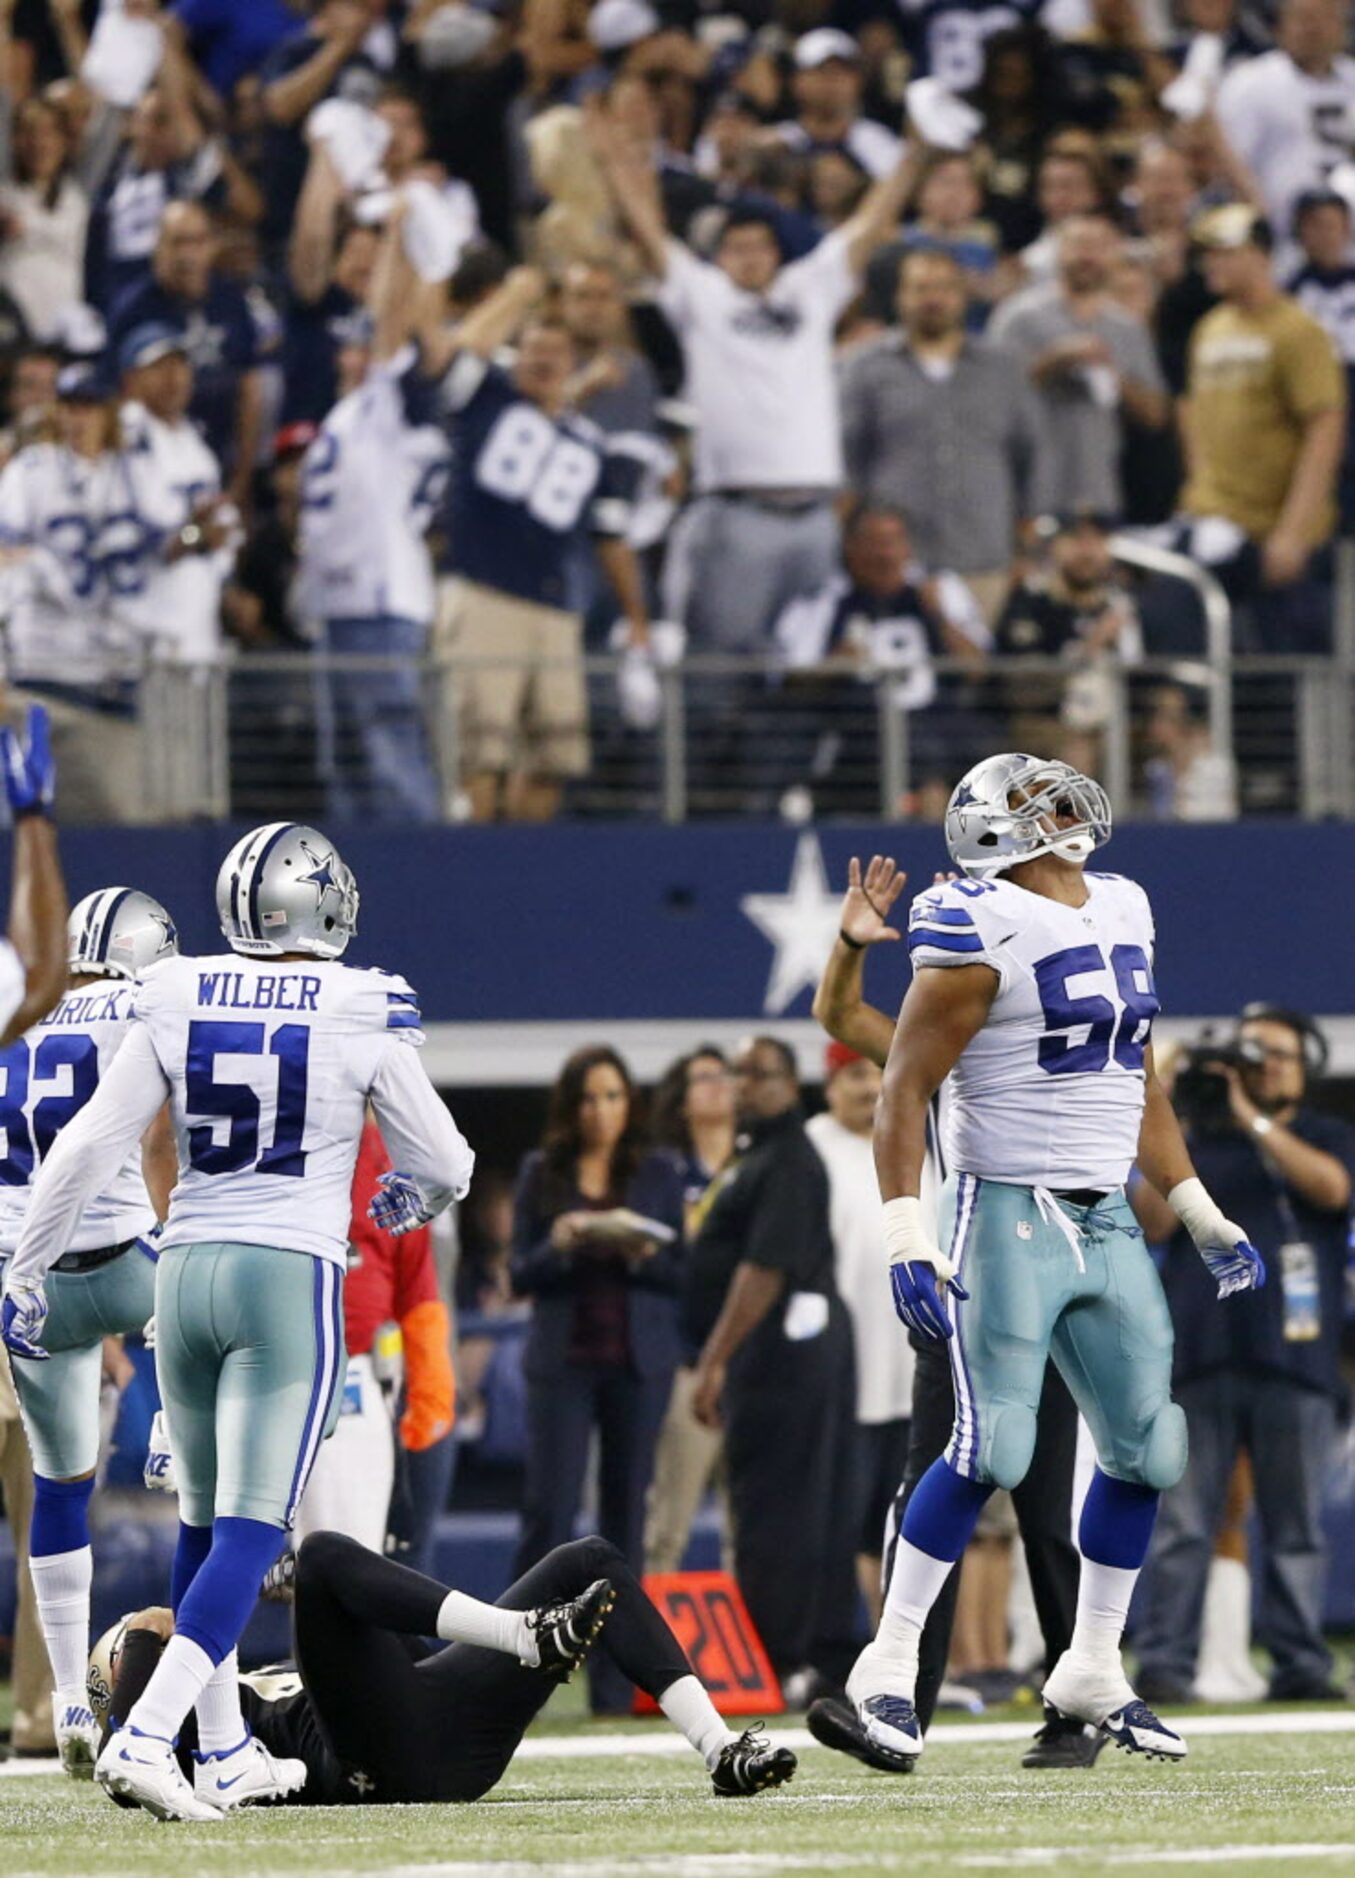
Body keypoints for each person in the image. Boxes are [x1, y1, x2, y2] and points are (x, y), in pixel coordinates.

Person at [0, 820, 476, 1822]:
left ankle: (220, 1750)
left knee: (204, 1523)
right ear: (323, 902)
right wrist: (388, 1213)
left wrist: (29, 1263)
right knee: (256, 1535)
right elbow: (445, 1163)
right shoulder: (361, 999)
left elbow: (89, 1144)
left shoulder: (175, 990)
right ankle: (144, 1735)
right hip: (283, 1275)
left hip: (183, 1275)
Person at [838, 752, 1266, 1770]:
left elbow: (1137, 1081)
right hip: (1004, 1207)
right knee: (991, 1450)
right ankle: (887, 1667)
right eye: (1029, 796)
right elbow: (899, 1089)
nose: (1059, 801)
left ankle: (1088, 1663)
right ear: (991, 829)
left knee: (1147, 1449)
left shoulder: (1123, 902)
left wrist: (1196, 1206)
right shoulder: (971, 920)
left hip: (1104, 1210)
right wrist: (905, 1232)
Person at [808, 854, 1090, 1773]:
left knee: (1046, 1507)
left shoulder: (1066, 1028)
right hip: (962, 1283)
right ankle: (900, 1706)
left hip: (1047, 1276)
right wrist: (851, 944)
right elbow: (840, 1017)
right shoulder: (947, 1033)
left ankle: (1075, 1705)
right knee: (928, 1487)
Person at [91, 1530, 796, 1803]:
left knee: (592, 1563)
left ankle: (720, 1750)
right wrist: (143, 1634)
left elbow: (408, 1664)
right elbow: (126, 1752)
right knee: (324, 1558)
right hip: (371, 1766)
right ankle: (522, 1633)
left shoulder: (243, 1680)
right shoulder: (172, 1738)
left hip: (442, 1725)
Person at [591, 104, 919, 656]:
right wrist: (613, 165)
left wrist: (915, 150)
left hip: (815, 517)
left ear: (776, 254)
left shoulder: (808, 290)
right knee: (723, 665)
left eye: (758, 247)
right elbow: (648, 233)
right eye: (734, 249)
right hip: (736, 514)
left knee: (810, 663)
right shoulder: (703, 295)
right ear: (718, 258)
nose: (748, 258)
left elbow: (871, 223)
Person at [0, 888, 179, 1779]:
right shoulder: (150, 1001)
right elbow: (156, 1147)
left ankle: (71, 1690)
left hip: (30, 1285)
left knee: (58, 1489)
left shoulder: (19, 1010)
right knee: (214, 1311)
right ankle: (175, 1425)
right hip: (123, 1256)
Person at [1133, 1007, 1355, 1704]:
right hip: (1198, 1357)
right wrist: (1180, 1117)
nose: (1267, 1066)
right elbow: (1153, 1219)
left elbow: (1332, 1190)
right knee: (1183, 1525)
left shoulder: (1321, 1134)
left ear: (1305, 1064)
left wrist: (1252, 1117)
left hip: (1295, 1363)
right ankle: (1164, 1661)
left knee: (1294, 1526)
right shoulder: (1196, 1137)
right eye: (1255, 1055)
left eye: (1281, 1055)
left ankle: (1299, 1664)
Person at [510, 1044, 684, 1713]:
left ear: (628, 1103)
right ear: (570, 1105)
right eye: (588, 1097)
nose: (600, 1110)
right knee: (546, 1512)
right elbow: (521, 1273)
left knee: (624, 1521)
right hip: (563, 1363)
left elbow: (681, 1272)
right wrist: (557, 1243)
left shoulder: (659, 1170)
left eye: (612, 1096)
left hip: (636, 1364)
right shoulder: (541, 1171)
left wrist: (641, 1254)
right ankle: (511, 1672)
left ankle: (616, 1687)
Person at [686, 1036, 858, 1702]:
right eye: (739, 1074)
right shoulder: (752, 1153)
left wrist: (711, 1362)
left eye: (761, 1075)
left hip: (785, 1355)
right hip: (775, 1355)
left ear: (792, 1085)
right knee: (773, 1505)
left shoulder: (786, 1159)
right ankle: (793, 1651)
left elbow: (763, 1270)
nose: (744, 1086)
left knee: (780, 1510)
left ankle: (781, 1654)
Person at [299, 224, 448, 826]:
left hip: (379, 604)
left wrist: (401, 229)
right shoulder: (345, 414)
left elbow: (392, 319)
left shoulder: (384, 407)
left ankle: (422, 880)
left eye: (364, 347)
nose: (353, 355)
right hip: (337, 607)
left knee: (390, 758)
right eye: (350, 346)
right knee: (345, 767)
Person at [840, 247, 1048, 627]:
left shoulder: (1004, 367)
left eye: (943, 288)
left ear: (963, 296)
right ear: (900, 296)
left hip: (984, 556)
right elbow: (848, 464)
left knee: (981, 677)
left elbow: (1031, 458)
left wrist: (1027, 550)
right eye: (920, 288)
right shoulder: (864, 367)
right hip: (894, 567)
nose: (932, 299)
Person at [1179, 202, 1346, 653]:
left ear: (1260, 255)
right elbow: (1195, 417)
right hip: (1216, 528)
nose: (1210, 263)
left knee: (1287, 678)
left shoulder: (1298, 330)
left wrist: (1293, 532)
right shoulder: (1209, 329)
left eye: (1224, 252)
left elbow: (1325, 428)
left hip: (1275, 538)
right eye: (1206, 253)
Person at [0, 364, 162, 823]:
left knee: (119, 825)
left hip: (114, 675)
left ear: (110, 411)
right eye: (71, 405)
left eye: (90, 406)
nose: (79, 418)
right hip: (43, 671)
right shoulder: (33, 470)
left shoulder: (137, 474)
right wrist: (43, 567)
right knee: (31, 822)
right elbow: (4, 554)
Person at [771, 501, 990, 820]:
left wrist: (940, 616)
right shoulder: (825, 599)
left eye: (893, 543)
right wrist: (836, 664)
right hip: (855, 736)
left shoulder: (939, 589)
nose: (885, 555)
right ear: (851, 549)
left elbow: (978, 668)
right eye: (874, 544)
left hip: (939, 729)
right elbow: (787, 677)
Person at [806, 1043, 914, 1625]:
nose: (869, 1087)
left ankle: (888, 1641)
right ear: (829, 1084)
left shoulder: (912, 1137)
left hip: (909, 1368)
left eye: (877, 1072)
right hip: (841, 1375)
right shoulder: (812, 1148)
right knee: (837, 1522)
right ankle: (839, 1640)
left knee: (896, 1521)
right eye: (854, 1075)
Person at [990, 214, 1170, 522]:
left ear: (1114, 254)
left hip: (1100, 491)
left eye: (1099, 246)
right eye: (1078, 245)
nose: (1088, 256)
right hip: (1029, 493)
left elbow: (1155, 415)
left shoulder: (1127, 327)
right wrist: (1053, 361)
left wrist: (1116, 379)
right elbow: (987, 401)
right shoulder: (1018, 317)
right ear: (1059, 250)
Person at [108, 202, 269, 513]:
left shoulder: (231, 301)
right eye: (177, 242)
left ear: (212, 246)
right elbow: (118, 395)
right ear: (158, 247)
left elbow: (251, 392)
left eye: (197, 241)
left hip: (222, 454)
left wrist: (242, 481)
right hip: (154, 465)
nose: (187, 255)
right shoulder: (133, 309)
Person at [644, 1046, 735, 1576]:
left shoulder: (758, 1166)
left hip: (750, 1369)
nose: (719, 1086)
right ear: (681, 1099)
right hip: (688, 1363)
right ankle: (649, 1652)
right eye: (703, 1078)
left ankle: (756, 1656)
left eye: (725, 1077)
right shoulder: (665, 1175)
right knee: (668, 1525)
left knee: (752, 1527)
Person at [1215, 0, 1355, 247]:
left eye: (1326, 18)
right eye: (1305, 19)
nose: (1315, 29)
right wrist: (1261, 221)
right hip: (1283, 236)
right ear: (1281, 26)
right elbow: (1229, 163)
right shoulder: (1250, 84)